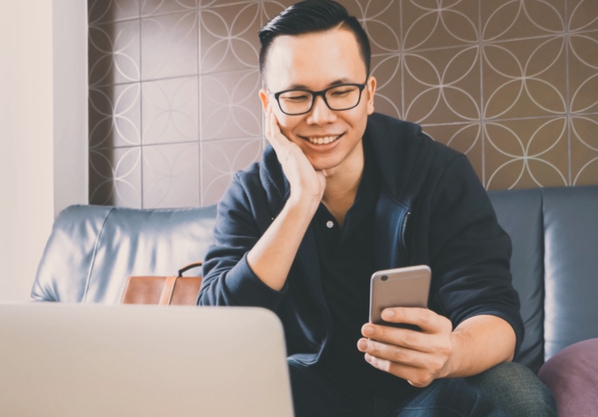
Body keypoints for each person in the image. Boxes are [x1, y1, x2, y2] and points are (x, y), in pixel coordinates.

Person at [196, 0, 557, 415]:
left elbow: (495, 315)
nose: (320, 116)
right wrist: (300, 203)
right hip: (309, 392)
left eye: (340, 92)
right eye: (296, 96)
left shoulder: (436, 173)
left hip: (423, 391)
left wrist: (451, 353)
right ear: (268, 106)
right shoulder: (251, 192)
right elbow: (217, 328)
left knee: (515, 392)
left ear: (368, 95)